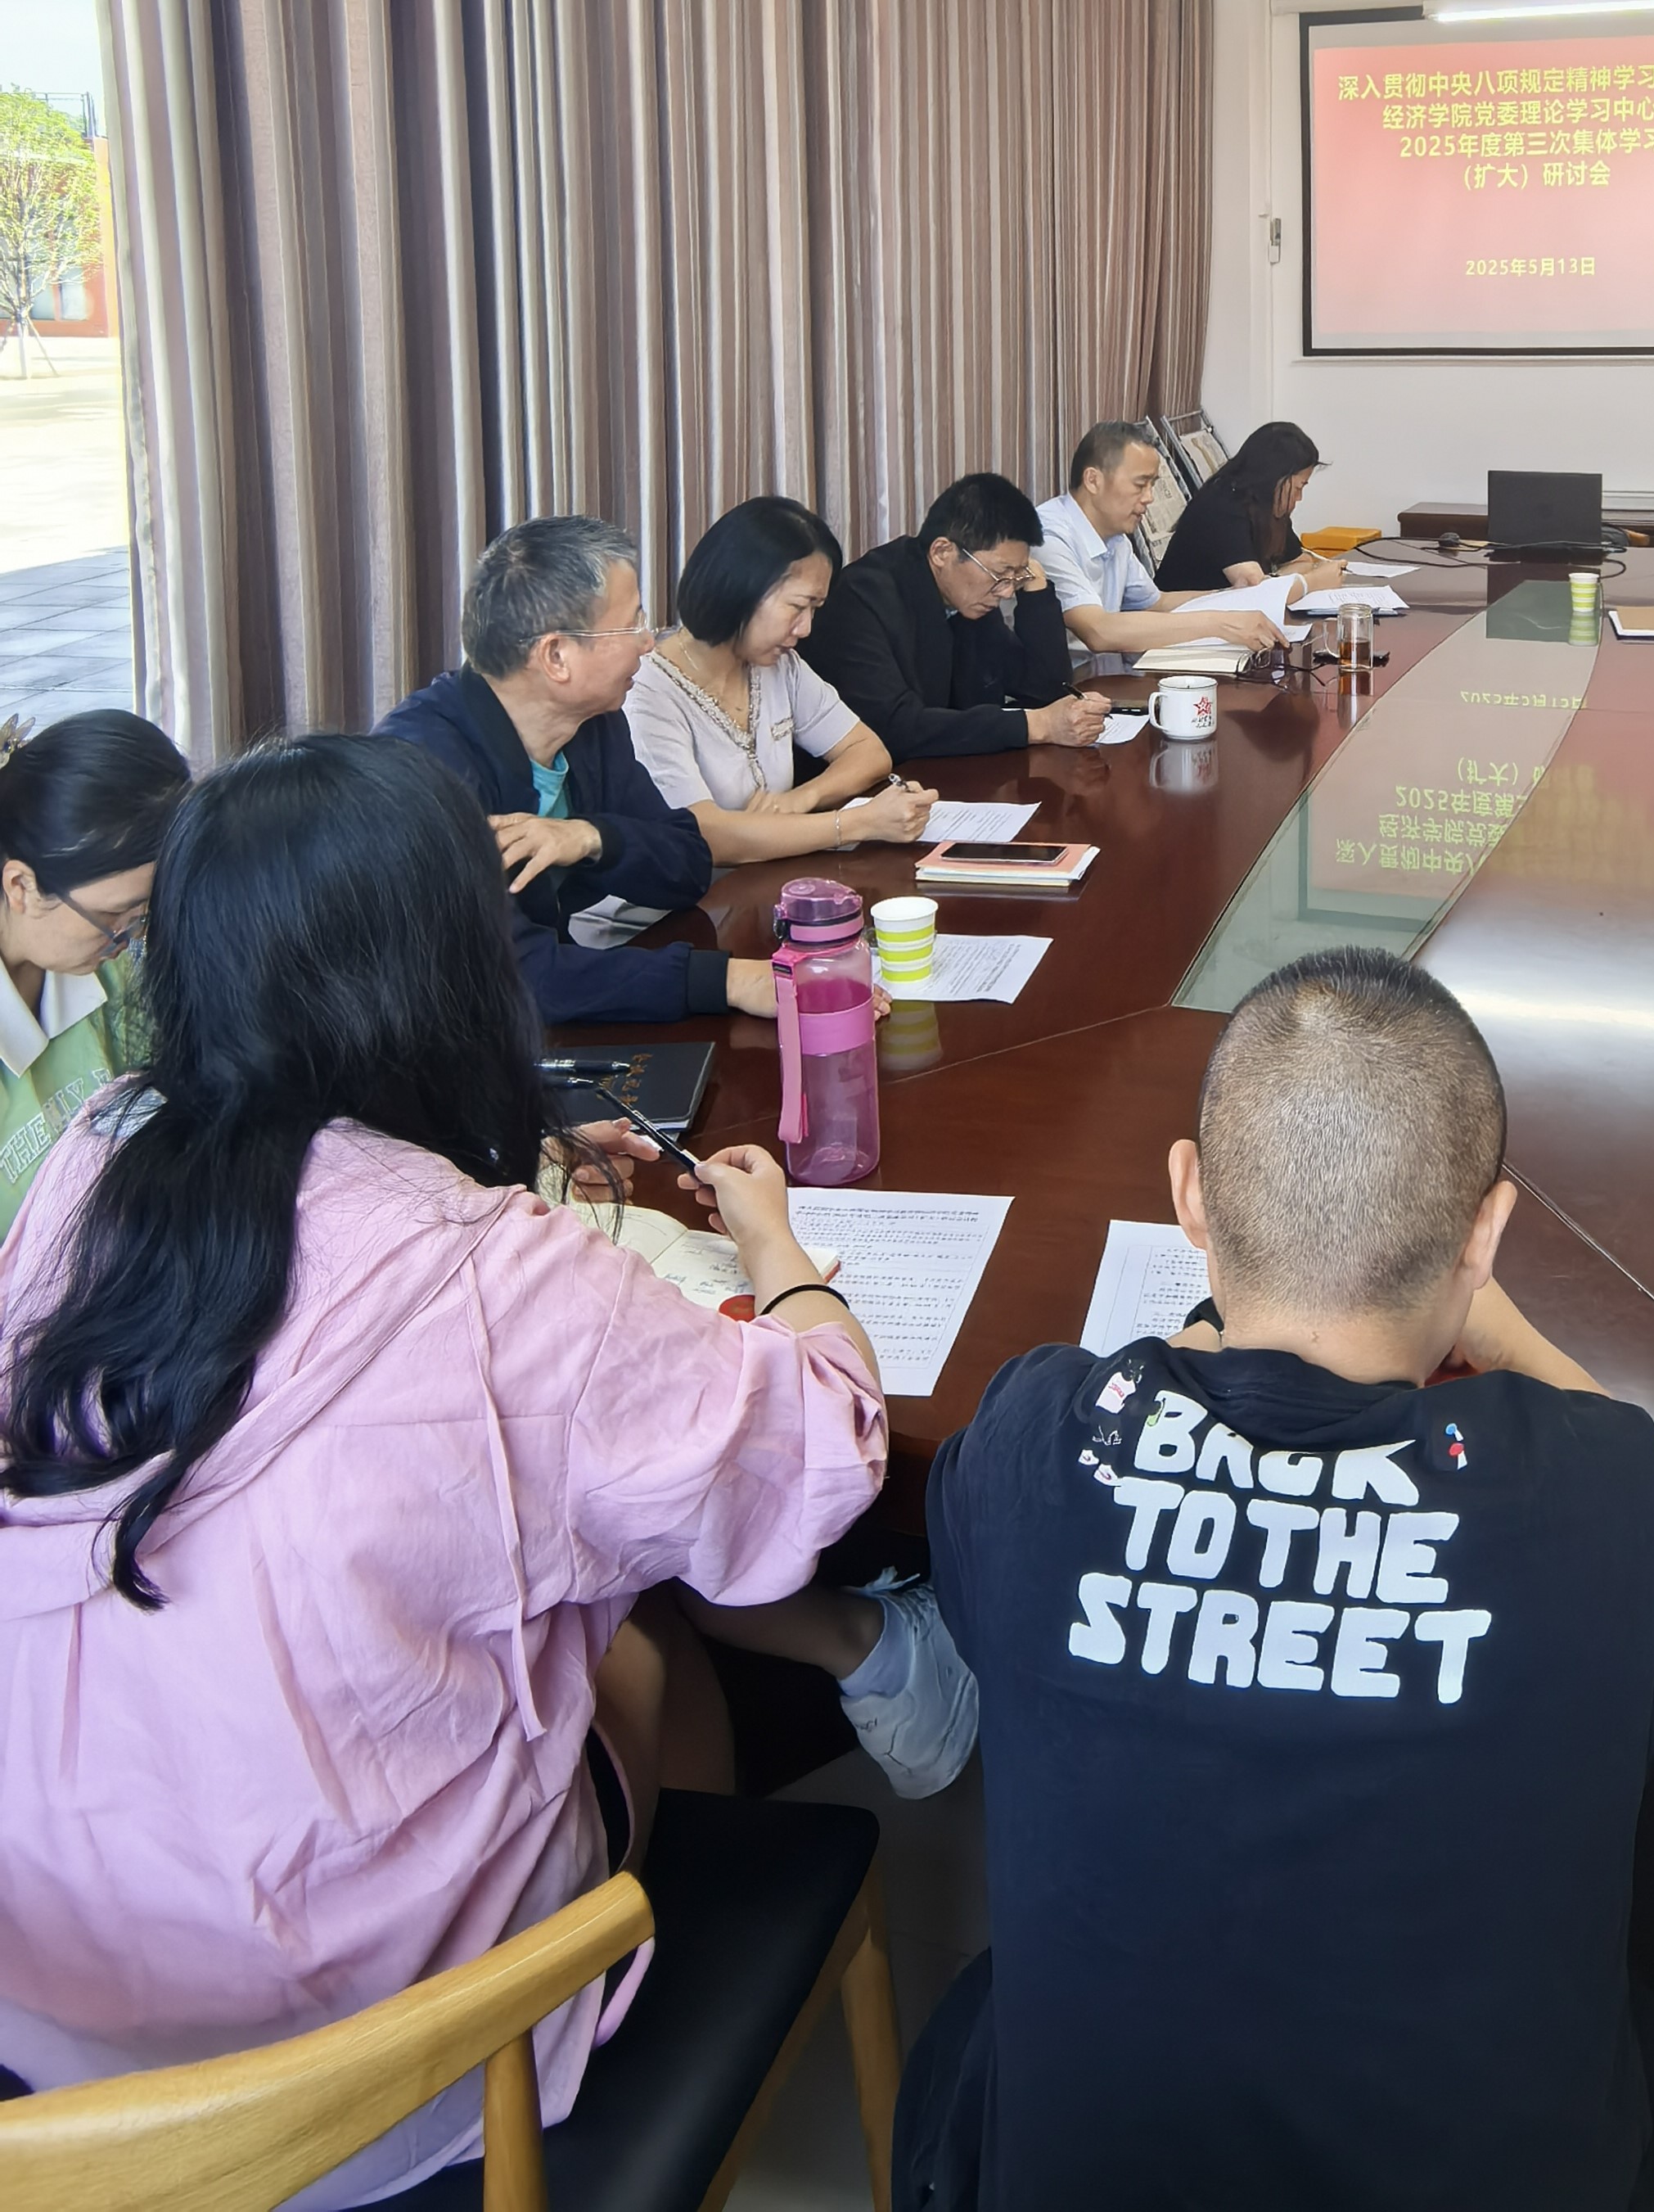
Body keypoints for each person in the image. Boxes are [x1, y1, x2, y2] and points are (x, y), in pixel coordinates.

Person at [0, 736, 976, 2207]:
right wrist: (779, 1257)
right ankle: (687, 1920)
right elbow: (816, 1455)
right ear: (451, 966)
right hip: (383, 2061)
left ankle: (859, 1680)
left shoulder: (91, 1151)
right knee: (626, 1602)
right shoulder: (495, 1274)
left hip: (66, 2026)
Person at [895, 946, 1654, 2212]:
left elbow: (988, 1603)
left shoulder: (1036, 1439)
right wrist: (1509, 1333)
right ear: (1486, 1232)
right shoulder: (1601, 1491)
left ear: (1190, 1195)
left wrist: (1180, 1362)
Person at [378, 515, 777, 1023]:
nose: (648, 642)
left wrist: (591, 837)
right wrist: (726, 980)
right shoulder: (423, 770)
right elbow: (511, 980)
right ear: (557, 656)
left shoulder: (592, 725)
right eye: (632, 623)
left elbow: (688, 866)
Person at [624, 496, 940, 873]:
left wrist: (802, 798)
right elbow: (704, 834)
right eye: (798, 607)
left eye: (815, 610)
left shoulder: (777, 665)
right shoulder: (647, 691)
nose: (806, 629)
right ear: (741, 589)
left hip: (762, 882)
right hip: (678, 903)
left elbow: (868, 752)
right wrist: (859, 823)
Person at [0, 710, 187, 1231]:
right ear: (21, 887)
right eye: (115, 918)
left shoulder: (112, 969)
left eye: (145, 915)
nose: (133, 939)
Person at [798, 473, 1110, 761]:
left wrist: (1035, 589)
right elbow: (894, 727)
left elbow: (1046, 689)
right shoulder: (862, 597)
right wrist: (1035, 726)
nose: (1005, 592)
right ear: (942, 552)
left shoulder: (971, 599)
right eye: (1000, 574)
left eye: (1016, 576)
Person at [1034, 421, 1288, 658]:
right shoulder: (1049, 537)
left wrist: (1231, 596)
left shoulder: (1115, 537)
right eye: (1140, 485)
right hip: (1062, 685)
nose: (1149, 498)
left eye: (1152, 486)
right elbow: (1098, 630)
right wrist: (1221, 624)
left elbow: (1156, 603)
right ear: (1093, 480)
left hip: (1104, 673)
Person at [1154, 419, 1351, 594]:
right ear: (1275, 478)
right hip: (1181, 618)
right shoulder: (1222, 505)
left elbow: (1301, 562)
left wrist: (1277, 581)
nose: (1299, 498)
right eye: (1299, 487)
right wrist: (1312, 583)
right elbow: (1253, 589)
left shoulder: (1266, 507)